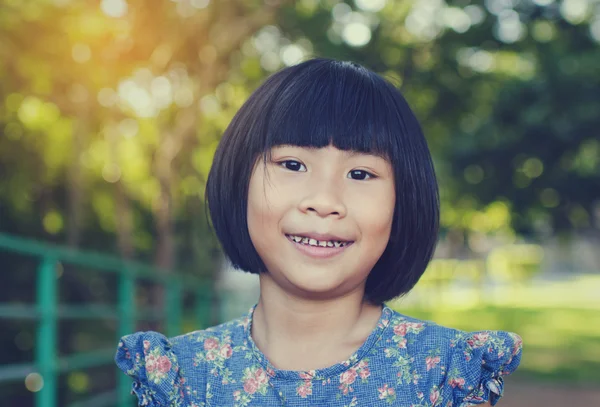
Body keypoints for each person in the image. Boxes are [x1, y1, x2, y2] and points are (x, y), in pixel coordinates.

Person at [115, 58, 522, 407]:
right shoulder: (185, 377)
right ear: (240, 180)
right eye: (292, 165)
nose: (325, 200)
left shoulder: (444, 374)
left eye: (361, 173)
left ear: (404, 202)